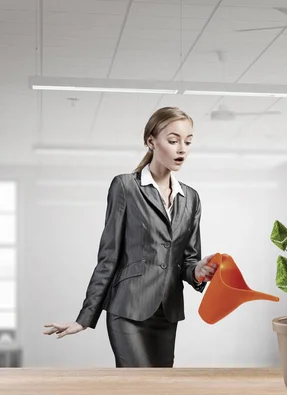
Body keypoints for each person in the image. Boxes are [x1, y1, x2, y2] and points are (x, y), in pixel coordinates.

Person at [43, 106, 218, 367]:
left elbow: (187, 261)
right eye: (173, 140)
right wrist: (85, 317)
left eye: (188, 141)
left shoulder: (191, 198)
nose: (182, 148)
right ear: (151, 142)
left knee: (160, 390)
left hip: (167, 312)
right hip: (127, 311)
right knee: (136, 388)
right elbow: (109, 256)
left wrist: (199, 270)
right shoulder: (125, 187)